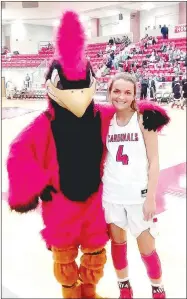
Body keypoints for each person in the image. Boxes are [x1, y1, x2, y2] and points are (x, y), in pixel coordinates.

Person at [6, 11, 109, 299]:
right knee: (64, 257)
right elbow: (19, 151)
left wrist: (145, 114)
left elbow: (124, 117)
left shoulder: (100, 116)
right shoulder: (45, 123)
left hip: (93, 203)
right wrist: (32, 185)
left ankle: (89, 291)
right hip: (60, 201)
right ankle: (70, 293)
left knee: (95, 251)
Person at [102, 73, 170, 299]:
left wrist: (151, 197)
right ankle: (125, 290)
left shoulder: (143, 119)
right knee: (118, 245)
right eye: (117, 91)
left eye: (127, 92)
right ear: (110, 91)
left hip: (138, 197)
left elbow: (155, 160)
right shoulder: (104, 120)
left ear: (134, 96)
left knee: (147, 249)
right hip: (112, 195)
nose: (121, 96)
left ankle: (158, 289)